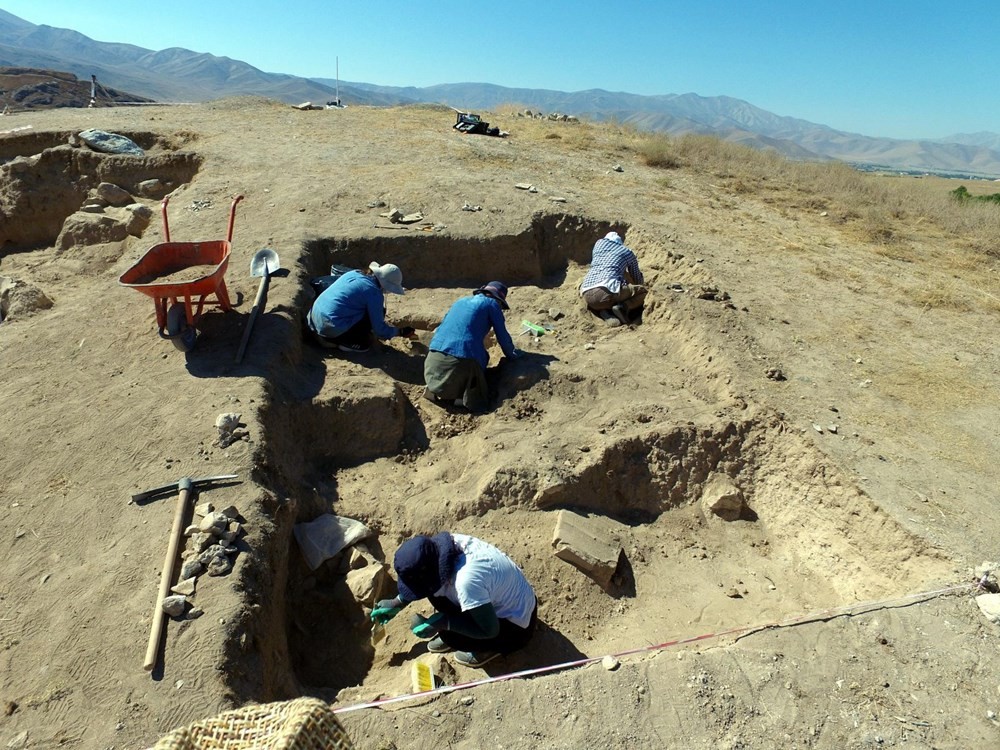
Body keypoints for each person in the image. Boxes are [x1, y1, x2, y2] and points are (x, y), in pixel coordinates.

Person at [371, 532, 538, 668]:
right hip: (496, 600)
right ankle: (456, 631)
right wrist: (398, 601)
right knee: (434, 593)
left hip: (516, 626)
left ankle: (487, 649)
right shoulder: (442, 549)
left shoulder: (466, 582)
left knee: (453, 637)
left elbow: (490, 630)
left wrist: (445, 623)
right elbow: (424, 582)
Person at [422, 281, 518, 412]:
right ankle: (461, 397)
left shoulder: (460, 301)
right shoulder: (492, 304)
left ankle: (433, 388)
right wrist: (513, 354)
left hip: (432, 361)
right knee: (480, 360)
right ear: (498, 300)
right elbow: (502, 335)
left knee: (470, 355)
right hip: (461, 362)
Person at [307, 261, 416, 352]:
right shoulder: (373, 292)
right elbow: (380, 330)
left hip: (313, 318)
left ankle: (327, 336)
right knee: (364, 344)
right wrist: (399, 332)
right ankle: (341, 342)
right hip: (329, 327)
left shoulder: (354, 273)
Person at [579, 231, 648, 327]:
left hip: (587, 293)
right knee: (644, 292)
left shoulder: (598, 245)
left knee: (615, 278)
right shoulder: (627, 252)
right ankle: (623, 307)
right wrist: (637, 285)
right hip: (606, 292)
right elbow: (637, 279)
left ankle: (606, 313)